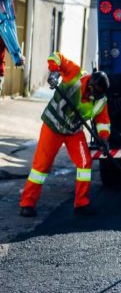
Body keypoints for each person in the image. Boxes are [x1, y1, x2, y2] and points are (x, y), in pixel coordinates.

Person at [19, 52, 111, 217]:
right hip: (53, 127)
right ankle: (27, 203)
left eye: (96, 95)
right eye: (92, 92)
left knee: (85, 163)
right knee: (41, 167)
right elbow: (56, 57)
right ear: (89, 83)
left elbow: (103, 120)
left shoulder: (100, 100)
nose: (92, 97)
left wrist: (104, 138)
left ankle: (81, 204)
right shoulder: (75, 74)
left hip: (73, 132)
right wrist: (54, 73)